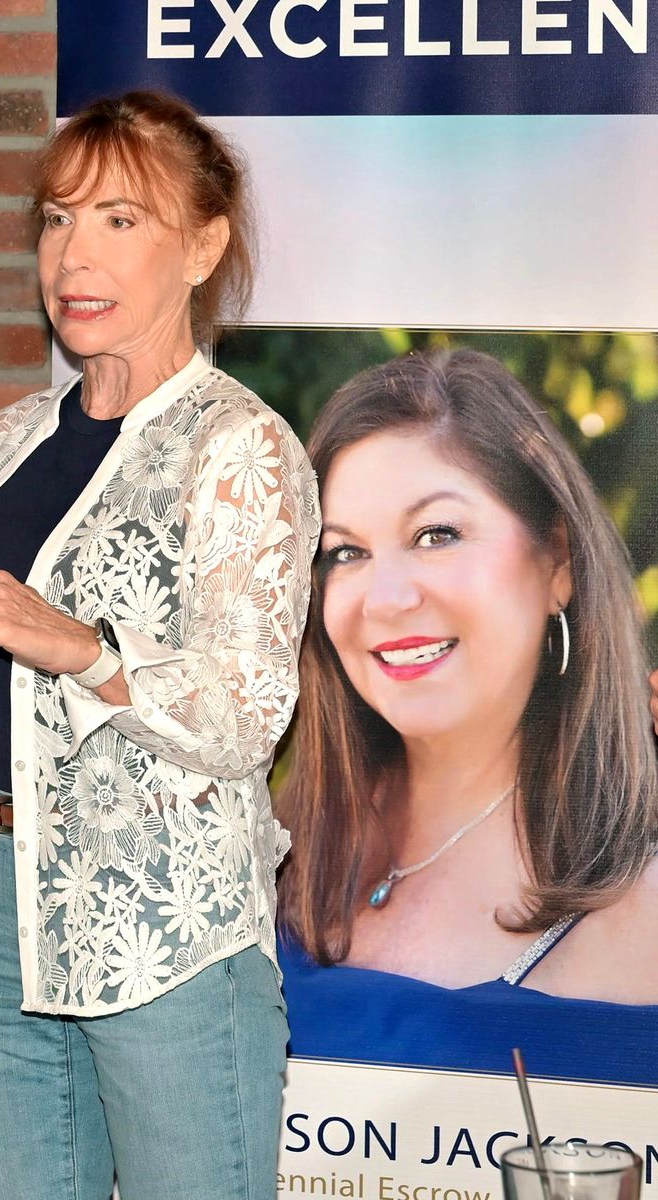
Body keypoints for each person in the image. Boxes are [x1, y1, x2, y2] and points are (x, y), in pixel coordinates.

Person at [0, 90, 319, 1199]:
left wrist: (81, 647)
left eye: (119, 220)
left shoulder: (239, 446)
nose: (73, 256)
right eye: (57, 219)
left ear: (203, 248)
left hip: (161, 925)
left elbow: (246, 719)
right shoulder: (1, 442)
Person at [277, 349, 658, 1086]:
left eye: (437, 535)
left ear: (557, 562)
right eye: (345, 553)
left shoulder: (640, 891)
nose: (386, 598)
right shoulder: (269, 851)